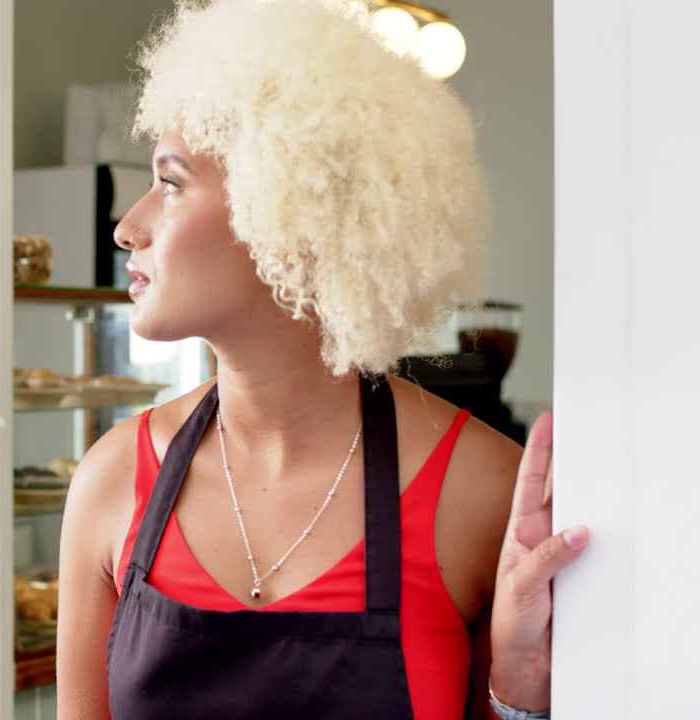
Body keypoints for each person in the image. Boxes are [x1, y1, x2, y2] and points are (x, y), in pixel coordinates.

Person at [55, 1, 589, 718]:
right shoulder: (113, 481)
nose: (129, 227)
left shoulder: (479, 490)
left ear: (287, 216)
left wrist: (522, 696)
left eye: (172, 181)